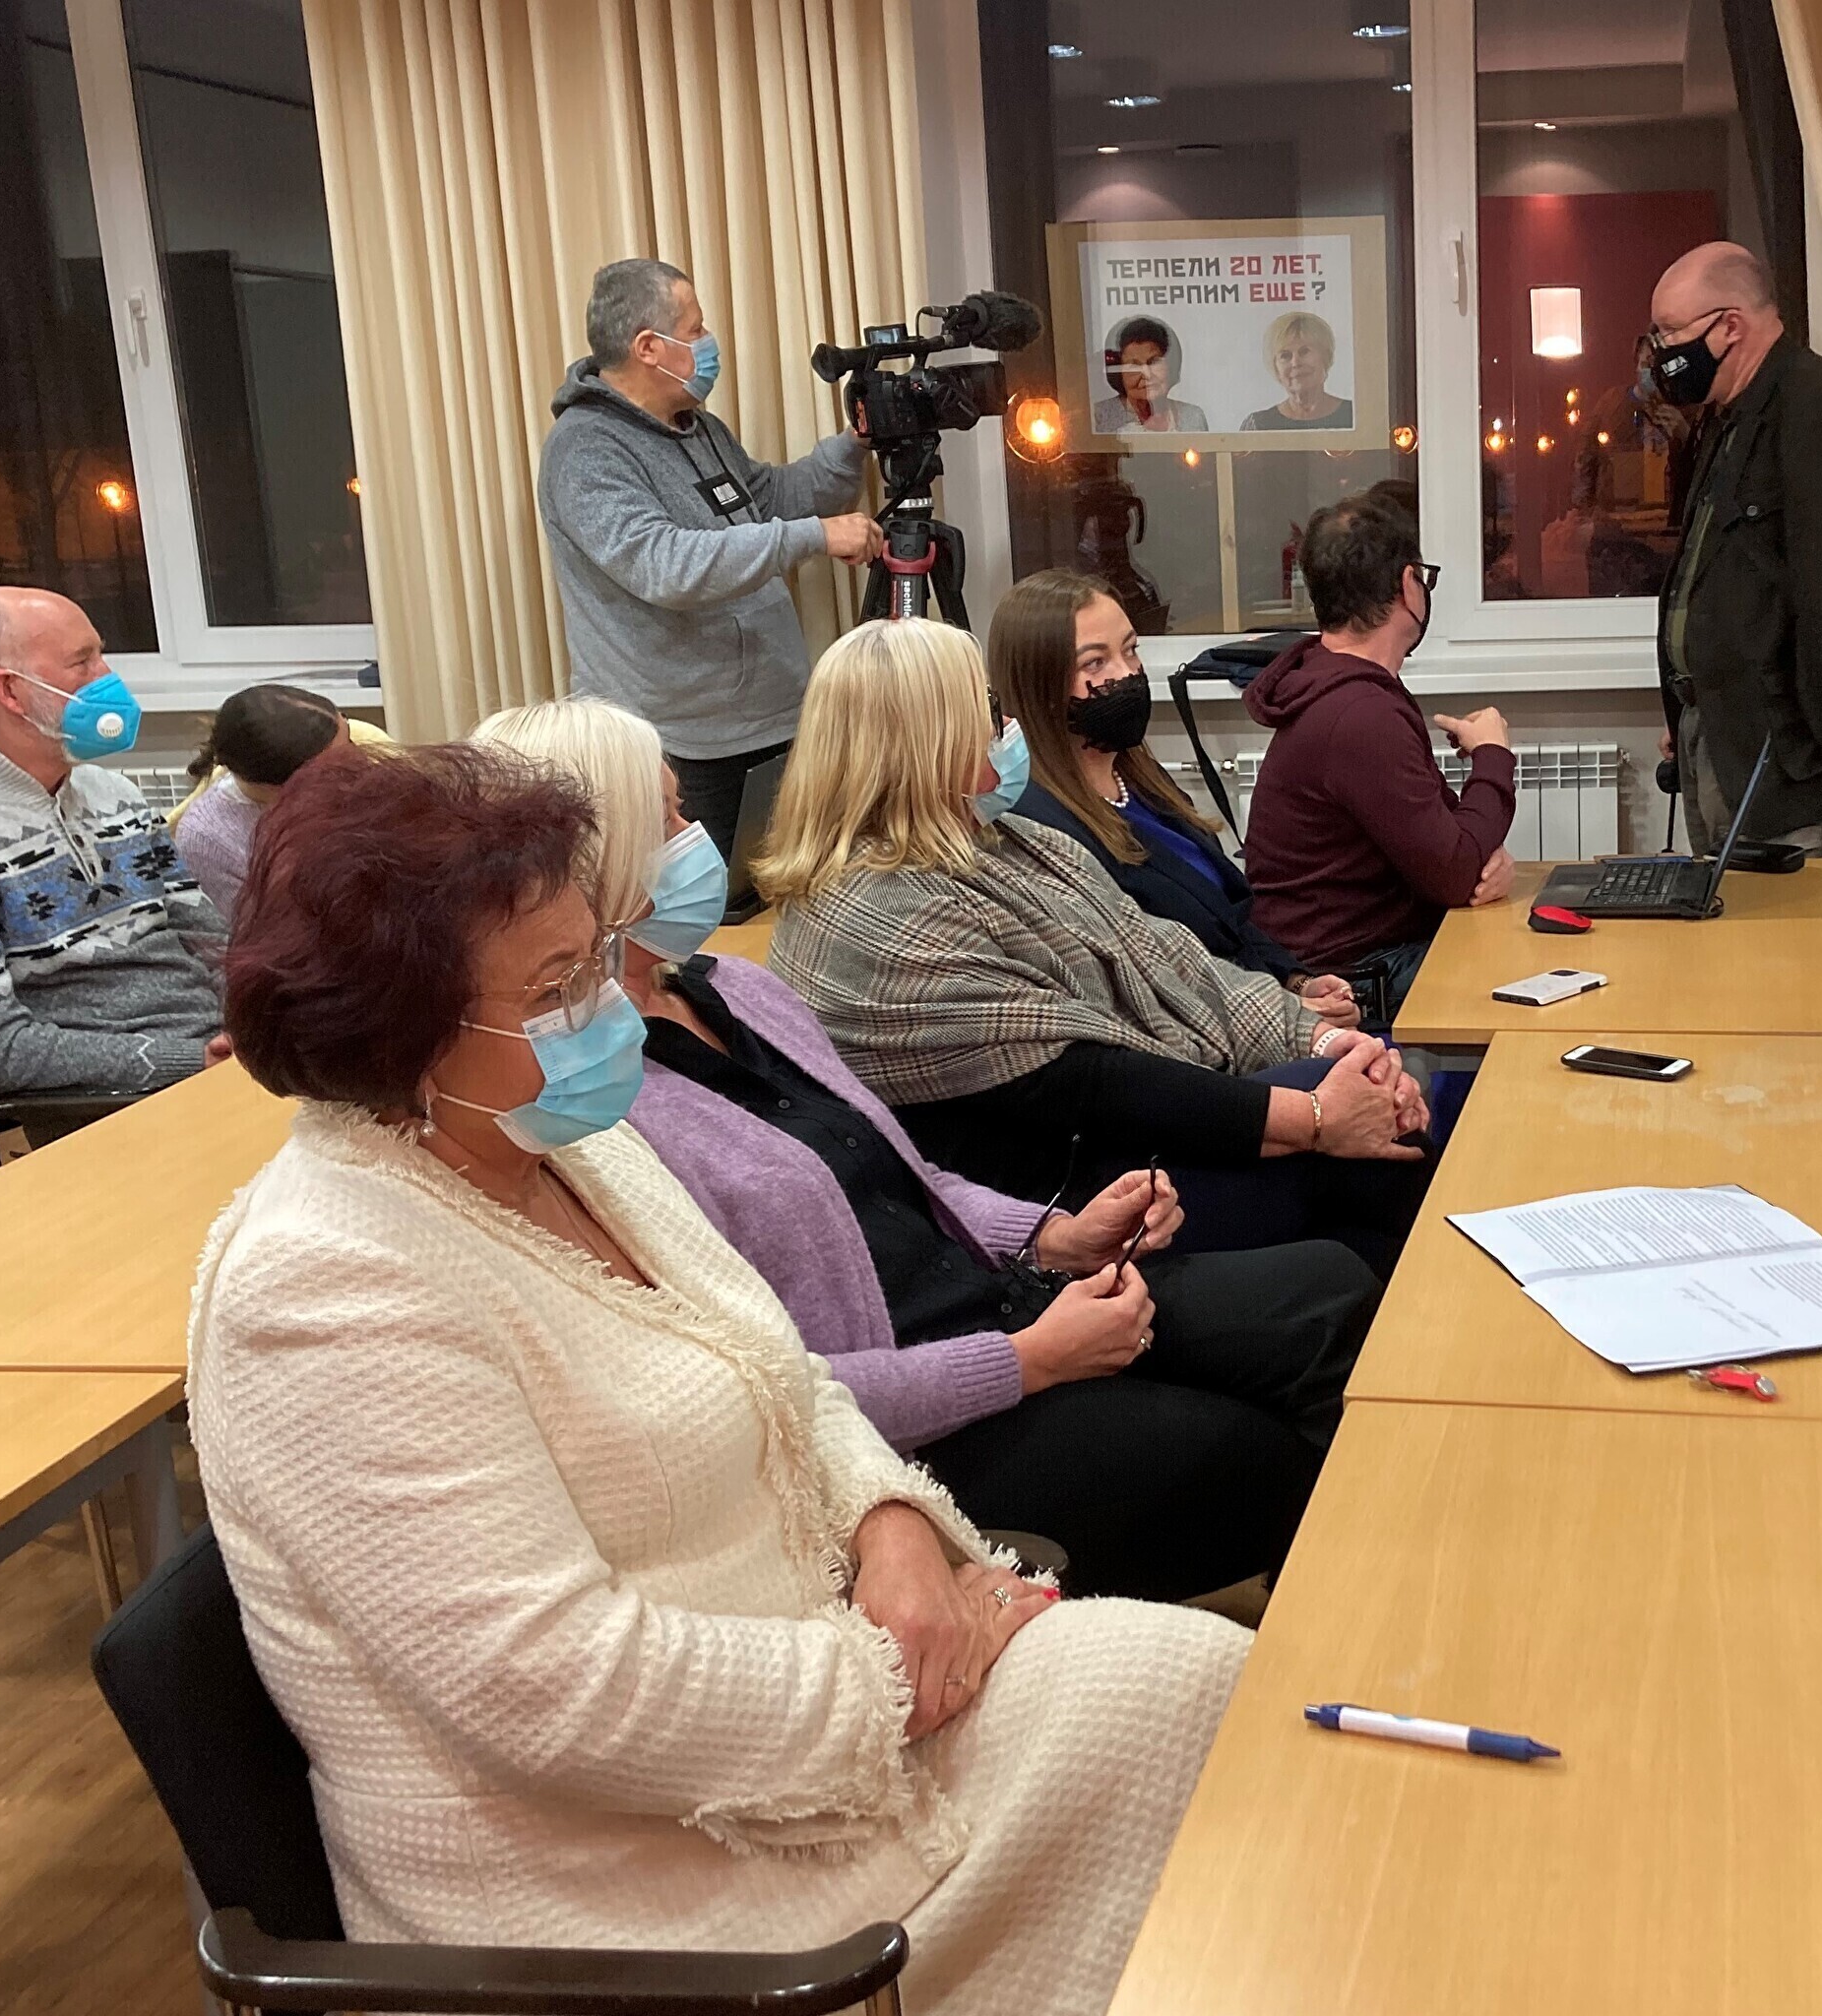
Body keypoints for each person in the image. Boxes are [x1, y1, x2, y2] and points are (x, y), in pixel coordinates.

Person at [194, 738, 1246, 2014]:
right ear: (397, 1030)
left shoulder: (572, 1151)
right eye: (556, 986)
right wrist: (898, 1671)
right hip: (630, 1890)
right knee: (1205, 1814)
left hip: (807, 1721)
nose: (609, 1007)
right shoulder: (327, 1283)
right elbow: (558, 1695)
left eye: (596, 959)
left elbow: (783, 1374)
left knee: (1204, 1692)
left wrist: (897, 1532)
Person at [474, 695, 1380, 1601]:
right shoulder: (593, 1099)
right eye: (668, 820)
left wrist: (1056, 1236)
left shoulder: (735, 991)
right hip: (919, 1422)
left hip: (999, 1304)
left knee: (1325, 1292)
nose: (696, 838)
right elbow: (761, 1385)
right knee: (1258, 1452)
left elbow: (904, 1170)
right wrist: (1029, 1360)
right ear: (590, 863)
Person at [762, 617, 1432, 1281]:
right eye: (987, 712)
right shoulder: (871, 916)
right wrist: (1315, 1116)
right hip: (1058, 1205)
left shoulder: (1012, 842)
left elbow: (1171, 958)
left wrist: (1321, 1040)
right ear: (927, 744)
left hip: (1117, 1140)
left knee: (1375, 1099)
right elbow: (1089, 1083)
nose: (1006, 728)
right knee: (1373, 1150)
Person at [536, 255, 885, 859]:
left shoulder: (699, 427)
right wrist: (814, 536)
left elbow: (769, 501)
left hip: (770, 722)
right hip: (682, 750)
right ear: (649, 347)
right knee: (716, 908)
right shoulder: (585, 450)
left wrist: (852, 447)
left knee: (788, 887)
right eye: (695, 329)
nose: (708, 341)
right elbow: (662, 564)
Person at [0, 586, 225, 1100]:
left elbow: (212, 943)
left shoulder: (112, 794)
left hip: (220, 1055)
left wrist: (269, 1023)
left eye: (101, 654)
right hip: (116, 1099)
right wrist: (187, 1060)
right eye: (82, 661)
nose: (108, 676)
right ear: (10, 691)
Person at [988, 568, 1356, 1027]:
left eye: (1130, 650)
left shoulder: (1141, 779)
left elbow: (1230, 917)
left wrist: (1296, 981)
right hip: (1203, 1038)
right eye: (1095, 663)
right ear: (1037, 685)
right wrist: (1285, 1015)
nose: (1127, 674)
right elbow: (1142, 981)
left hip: (1263, 1005)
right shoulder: (1037, 823)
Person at [1647, 240, 1822, 852]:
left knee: (1770, 914)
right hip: (1713, 733)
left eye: (1671, 332)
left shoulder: (1818, 404)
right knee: (1716, 912)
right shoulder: (1725, 416)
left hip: (1774, 754)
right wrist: (1687, 704)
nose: (1662, 352)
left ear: (1730, 326)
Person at [1241, 499, 1517, 1005]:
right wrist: (1493, 755)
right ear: (1410, 584)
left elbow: (1452, 848)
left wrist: (1480, 858)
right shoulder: (1360, 714)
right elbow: (1457, 872)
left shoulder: (1342, 687)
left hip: (1365, 952)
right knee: (1539, 973)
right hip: (1356, 976)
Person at [171, 683, 393, 917]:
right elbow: (260, 934)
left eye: (349, 735)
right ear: (286, 786)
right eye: (337, 764)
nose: (361, 761)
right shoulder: (208, 842)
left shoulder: (360, 777)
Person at [1090, 317, 1210, 435]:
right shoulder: (1098, 417)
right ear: (1119, 374)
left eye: (1154, 362)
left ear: (1170, 366)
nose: (1147, 374)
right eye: (1134, 365)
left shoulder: (1193, 417)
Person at [1238, 311, 1352, 431]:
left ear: (1325, 357)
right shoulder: (1258, 425)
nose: (1296, 363)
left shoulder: (1355, 415)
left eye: (1304, 351)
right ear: (1275, 367)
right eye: (1285, 355)